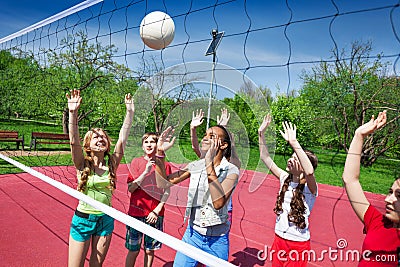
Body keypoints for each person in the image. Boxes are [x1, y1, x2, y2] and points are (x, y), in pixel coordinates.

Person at [154, 124, 240, 266]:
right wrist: (160, 153)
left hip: (217, 240)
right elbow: (163, 184)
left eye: (211, 136)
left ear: (223, 145)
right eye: (205, 135)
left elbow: (218, 203)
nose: (205, 138)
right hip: (192, 234)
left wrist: (208, 163)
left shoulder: (231, 170)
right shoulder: (195, 165)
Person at [66, 89, 134, 267]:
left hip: (105, 219)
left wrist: (130, 113)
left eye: (103, 136)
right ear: (87, 145)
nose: (100, 138)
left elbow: (123, 139)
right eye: (95, 136)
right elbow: (74, 141)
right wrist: (73, 113)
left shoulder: (112, 163)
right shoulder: (82, 164)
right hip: (83, 219)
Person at [258, 114, 318, 267]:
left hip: (298, 245)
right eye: (291, 156)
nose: (291, 159)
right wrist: (261, 134)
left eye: (296, 159)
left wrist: (294, 142)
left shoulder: (310, 188)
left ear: (303, 168)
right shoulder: (284, 177)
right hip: (279, 239)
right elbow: (265, 157)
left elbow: (310, 172)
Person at [342, 110, 400, 266]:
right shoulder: (378, 222)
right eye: (390, 192)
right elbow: (350, 180)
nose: (388, 199)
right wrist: (359, 135)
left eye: (399, 196)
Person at [125, 132, 174, 267]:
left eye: (152, 141)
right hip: (135, 213)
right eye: (146, 142)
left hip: (154, 215)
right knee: (133, 250)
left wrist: (157, 210)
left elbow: (167, 190)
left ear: (158, 145)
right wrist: (145, 172)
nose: (149, 144)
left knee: (149, 250)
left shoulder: (165, 165)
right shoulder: (136, 162)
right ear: (142, 146)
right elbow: (131, 188)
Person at [190, 108, 241, 224]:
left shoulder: (231, 165)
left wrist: (224, 130)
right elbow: (195, 147)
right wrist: (193, 128)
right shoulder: (206, 159)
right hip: (205, 208)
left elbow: (231, 155)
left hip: (222, 211)